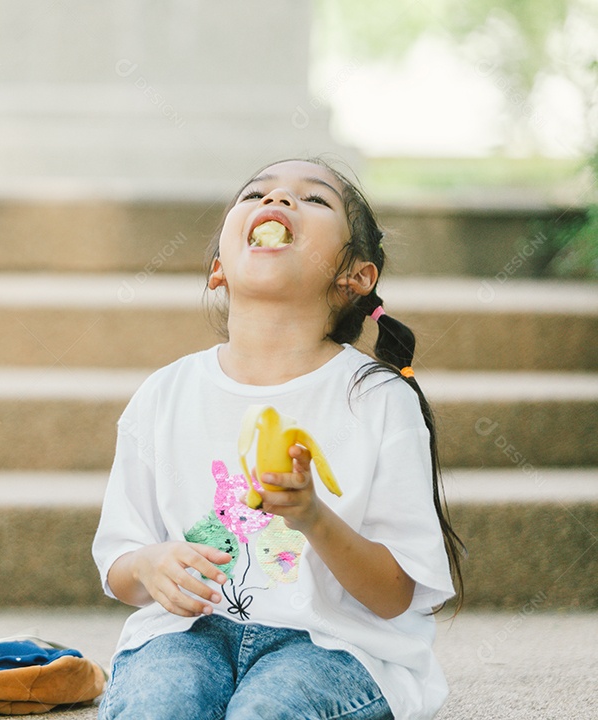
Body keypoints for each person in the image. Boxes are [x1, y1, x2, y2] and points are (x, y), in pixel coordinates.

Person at [92, 158, 465, 720]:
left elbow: (394, 596)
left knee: (268, 711)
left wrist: (312, 516)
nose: (278, 201)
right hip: (185, 633)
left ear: (356, 277)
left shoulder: (378, 399)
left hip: (337, 646)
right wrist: (149, 564)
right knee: (158, 705)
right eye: (255, 194)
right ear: (219, 269)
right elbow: (121, 566)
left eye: (314, 199)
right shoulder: (164, 393)